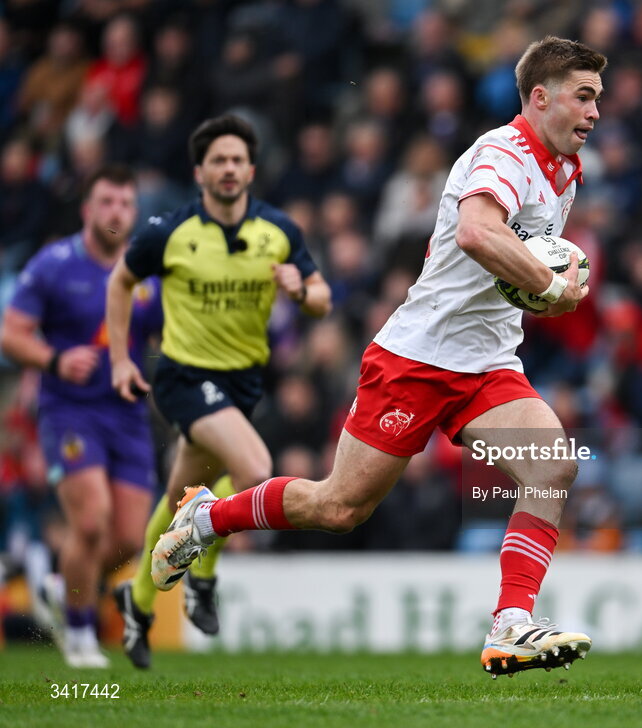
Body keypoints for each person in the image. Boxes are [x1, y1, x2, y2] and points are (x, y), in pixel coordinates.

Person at [148, 36, 604, 677]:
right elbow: (477, 233)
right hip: (415, 360)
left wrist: (547, 296)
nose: (593, 112)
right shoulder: (504, 153)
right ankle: (207, 517)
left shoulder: (566, 172)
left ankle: (511, 624)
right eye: (583, 97)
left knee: (552, 466)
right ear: (539, 97)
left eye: (597, 100)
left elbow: (512, 274)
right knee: (339, 508)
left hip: (489, 362)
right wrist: (550, 283)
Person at [105, 114, 332, 669]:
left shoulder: (277, 231)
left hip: (242, 381)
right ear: (200, 172)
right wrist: (117, 360)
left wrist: (301, 289)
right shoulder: (169, 232)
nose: (228, 169)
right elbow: (120, 281)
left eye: (237, 160)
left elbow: (323, 297)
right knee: (254, 467)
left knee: (185, 496)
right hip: (183, 376)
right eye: (218, 161)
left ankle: (135, 602)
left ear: (250, 170)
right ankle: (202, 578)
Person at [1, 165, 162, 668]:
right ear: (87, 209)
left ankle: (59, 583)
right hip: (69, 411)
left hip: (128, 414)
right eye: (106, 201)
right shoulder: (53, 265)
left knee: (130, 539)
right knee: (90, 521)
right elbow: (11, 334)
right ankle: (79, 633)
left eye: (125, 203)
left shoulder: (146, 275)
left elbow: (162, 338)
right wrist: (54, 360)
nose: (116, 211)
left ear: (134, 212)